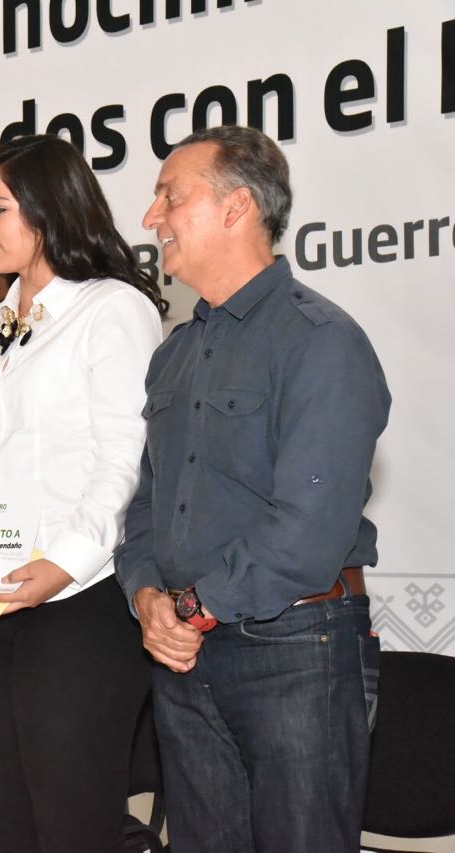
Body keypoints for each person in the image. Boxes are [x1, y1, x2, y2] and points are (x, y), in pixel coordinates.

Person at [115, 125, 390, 853]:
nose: (151, 218)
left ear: (237, 208)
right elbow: (145, 506)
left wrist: (193, 607)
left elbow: (307, 530)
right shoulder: (174, 355)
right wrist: (146, 595)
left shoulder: (320, 341)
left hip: (295, 652)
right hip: (185, 652)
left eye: (170, 196)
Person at [0, 135, 168, 852]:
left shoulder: (113, 309)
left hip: (77, 607)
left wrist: (65, 562)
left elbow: (125, 460)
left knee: (74, 822)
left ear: (50, 208)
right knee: (7, 822)